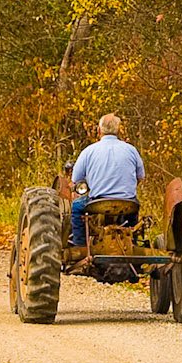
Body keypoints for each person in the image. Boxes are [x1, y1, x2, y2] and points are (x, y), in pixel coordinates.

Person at [66, 112, 144, 262]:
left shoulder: (89, 151)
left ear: (98, 131)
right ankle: (132, 244)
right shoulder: (131, 150)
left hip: (98, 202)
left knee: (76, 207)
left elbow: (75, 180)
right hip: (127, 203)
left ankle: (80, 246)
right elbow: (140, 177)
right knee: (133, 212)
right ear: (118, 130)